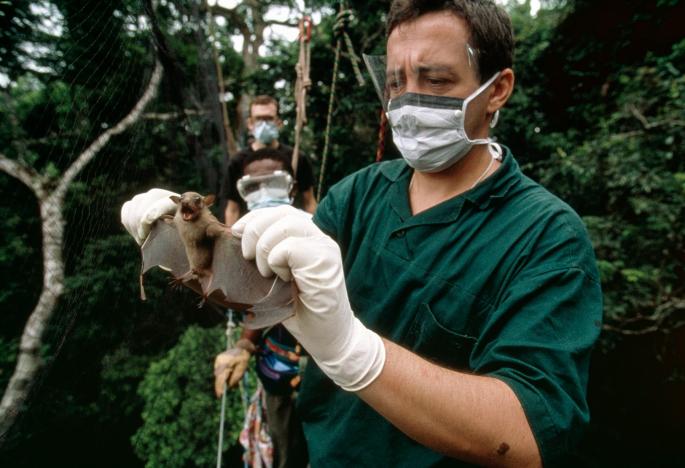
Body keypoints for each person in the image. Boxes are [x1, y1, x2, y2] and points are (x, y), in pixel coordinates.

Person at [121, 1, 603, 466]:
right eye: (395, 82)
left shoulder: (545, 236)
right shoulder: (359, 194)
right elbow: (268, 287)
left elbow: (529, 434)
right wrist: (189, 243)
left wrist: (355, 354)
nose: (407, 101)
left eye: (436, 79)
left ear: (497, 90)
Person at [214, 147, 309, 468]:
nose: (264, 192)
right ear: (243, 193)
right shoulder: (244, 243)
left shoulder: (314, 231)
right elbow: (262, 300)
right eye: (253, 186)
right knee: (284, 447)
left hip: (324, 369)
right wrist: (244, 345)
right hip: (276, 368)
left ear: (291, 189)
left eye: (274, 183)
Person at [223, 95, 317, 226]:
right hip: (251, 228)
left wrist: (316, 230)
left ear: (278, 122)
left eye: (269, 119)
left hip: (290, 226)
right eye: (258, 119)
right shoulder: (237, 162)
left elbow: (309, 202)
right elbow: (233, 209)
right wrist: (230, 235)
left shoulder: (297, 158)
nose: (264, 124)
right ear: (250, 123)